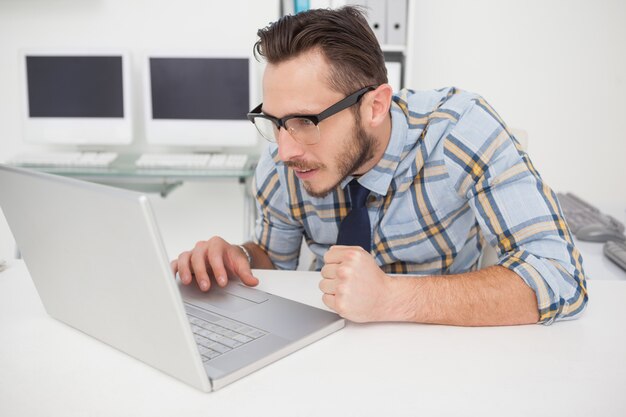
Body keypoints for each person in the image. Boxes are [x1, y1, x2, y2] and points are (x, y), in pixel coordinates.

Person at [171, 6, 588, 326]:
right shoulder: (285, 157)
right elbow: (276, 262)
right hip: (328, 347)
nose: (284, 150)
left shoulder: (462, 131)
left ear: (375, 106)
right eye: (276, 122)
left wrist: (392, 297)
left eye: (305, 121)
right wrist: (237, 256)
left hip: (446, 352)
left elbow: (560, 276)